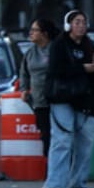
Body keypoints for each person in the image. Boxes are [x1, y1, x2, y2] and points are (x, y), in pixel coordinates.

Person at [42, 9, 94, 188]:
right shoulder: (59, 45)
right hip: (62, 97)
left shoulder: (92, 46)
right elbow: (56, 69)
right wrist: (82, 68)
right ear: (68, 25)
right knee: (62, 140)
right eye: (77, 22)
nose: (81, 26)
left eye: (83, 22)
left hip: (85, 99)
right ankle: (55, 184)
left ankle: (78, 183)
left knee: (85, 142)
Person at [19, 17, 60, 159]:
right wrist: (24, 89)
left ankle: (58, 171)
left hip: (56, 100)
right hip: (38, 102)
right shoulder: (30, 53)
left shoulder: (55, 49)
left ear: (45, 33)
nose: (31, 33)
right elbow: (24, 73)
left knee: (57, 137)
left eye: (35, 30)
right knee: (45, 134)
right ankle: (50, 169)